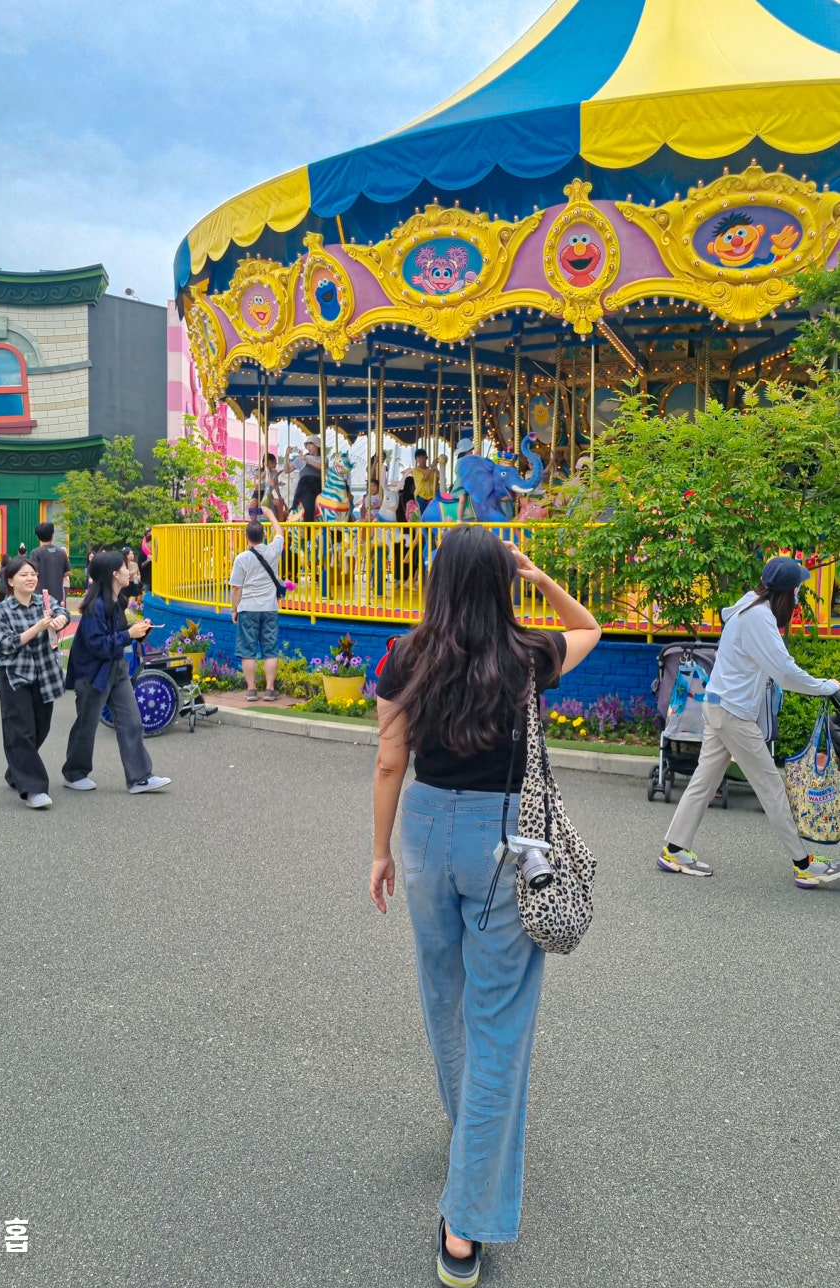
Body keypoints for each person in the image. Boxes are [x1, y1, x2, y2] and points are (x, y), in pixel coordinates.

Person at [370, 525, 601, 1283]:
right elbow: (588, 628)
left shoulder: (405, 655)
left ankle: (466, 1119)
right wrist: (537, 579)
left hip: (426, 830)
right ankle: (465, 1226)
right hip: (504, 839)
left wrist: (379, 853)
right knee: (499, 1018)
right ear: (502, 582)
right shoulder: (527, 654)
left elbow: (388, 761)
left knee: (443, 987)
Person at [660, 556, 840, 887]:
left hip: (718, 707)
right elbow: (784, 672)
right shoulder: (759, 618)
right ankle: (804, 865)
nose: (799, 595)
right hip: (732, 715)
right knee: (770, 785)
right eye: (798, 589)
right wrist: (827, 687)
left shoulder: (749, 606)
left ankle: (673, 850)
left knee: (704, 781)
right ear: (786, 592)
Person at [61, 550, 171, 795]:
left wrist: (137, 631)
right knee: (86, 725)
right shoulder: (95, 607)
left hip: (116, 668)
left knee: (132, 721)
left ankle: (140, 777)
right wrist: (127, 635)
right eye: (124, 568)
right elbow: (97, 644)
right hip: (93, 673)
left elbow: (115, 638)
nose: (129, 572)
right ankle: (74, 773)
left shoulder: (116, 601)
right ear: (113, 574)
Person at [0, 557, 70, 809]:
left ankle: (16, 771)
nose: (31, 578)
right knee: (20, 731)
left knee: (40, 728)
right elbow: (1, 644)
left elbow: (61, 610)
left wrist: (60, 619)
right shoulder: (0, 610)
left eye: (33, 573)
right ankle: (34, 789)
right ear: (10, 581)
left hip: (44, 674)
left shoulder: (45, 601)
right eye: (23, 575)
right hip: (15, 675)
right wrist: (36, 628)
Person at [229, 504, 284, 702]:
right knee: (270, 649)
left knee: (248, 650)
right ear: (263, 535)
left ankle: (252, 689)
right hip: (270, 608)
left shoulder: (241, 559)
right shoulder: (273, 551)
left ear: (247, 537)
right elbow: (280, 532)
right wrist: (270, 515)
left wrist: (234, 609)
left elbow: (237, 588)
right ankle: (269, 689)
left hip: (248, 609)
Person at [29, 522, 70, 604]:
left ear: (38, 537)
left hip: (40, 596)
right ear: (52, 535)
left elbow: (34, 572)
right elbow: (68, 572)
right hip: (57, 596)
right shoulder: (62, 552)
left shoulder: (36, 552)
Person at [286, 437, 322, 521]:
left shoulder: (322, 458)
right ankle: (308, 529)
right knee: (308, 507)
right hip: (307, 486)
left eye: (311, 444)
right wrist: (286, 455)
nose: (308, 446)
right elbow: (287, 470)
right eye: (307, 444)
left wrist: (306, 459)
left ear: (317, 445)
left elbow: (322, 467)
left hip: (319, 485)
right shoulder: (301, 459)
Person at [453, 436, 475, 522]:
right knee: (462, 499)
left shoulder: (468, 460)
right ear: (465, 452)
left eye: (472, 450)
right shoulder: (462, 460)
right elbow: (458, 471)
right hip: (461, 486)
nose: (472, 452)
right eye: (470, 451)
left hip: (468, 485)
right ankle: (459, 519)